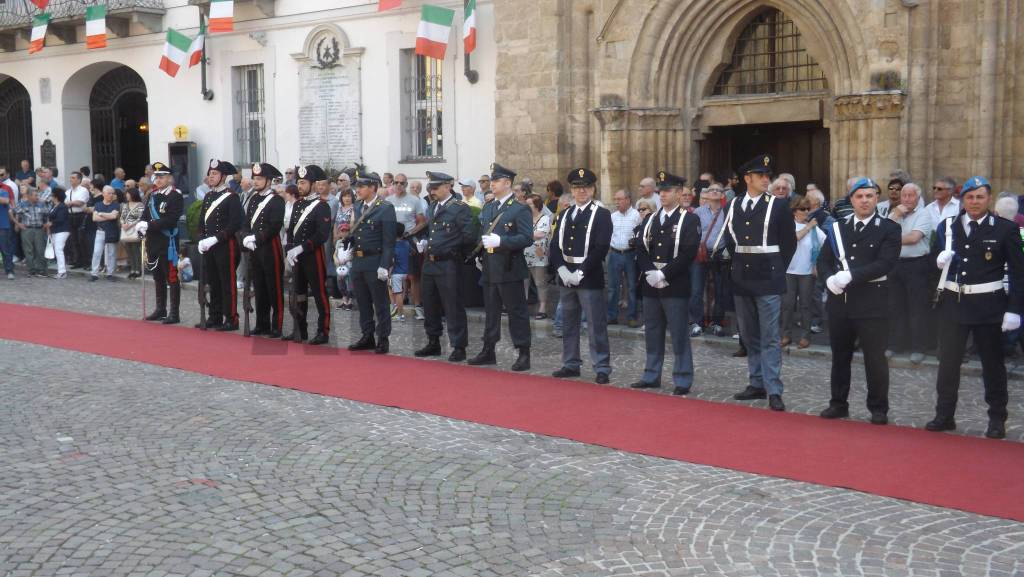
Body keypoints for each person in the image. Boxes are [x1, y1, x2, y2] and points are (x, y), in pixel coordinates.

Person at [927, 177, 1024, 440]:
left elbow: (1018, 273)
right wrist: (937, 261)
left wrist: (1015, 309)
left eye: (980, 197)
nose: (975, 202)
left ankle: (996, 418)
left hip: (988, 306)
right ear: (963, 200)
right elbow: (931, 264)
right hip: (953, 305)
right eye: (970, 197)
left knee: (993, 366)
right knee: (948, 365)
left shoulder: (1004, 229)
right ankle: (944, 415)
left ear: (988, 199)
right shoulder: (947, 226)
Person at [817, 178, 901, 424]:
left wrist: (851, 275)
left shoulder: (889, 228)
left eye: (869, 196)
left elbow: (886, 263)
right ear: (851, 200)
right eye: (859, 196)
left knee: (874, 358)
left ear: (876, 198)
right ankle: (838, 403)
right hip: (840, 302)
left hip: (872, 303)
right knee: (840, 356)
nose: (864, 200)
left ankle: (878, 407)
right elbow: (823, 260)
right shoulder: (838, 228)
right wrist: (828, 279)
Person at [724, 155, 797, 411]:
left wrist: (776, 269)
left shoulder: (777, 206)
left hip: (768, 277)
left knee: (769, 336)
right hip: (743, 276)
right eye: (761, 175)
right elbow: (731, 241)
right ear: (748, 179)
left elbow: (789, 243)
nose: (766, 179)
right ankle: (756, 383)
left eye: (768, 175)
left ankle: (774, 389)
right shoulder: (732, 206)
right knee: (749, 335)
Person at [630, 171, 702, 394]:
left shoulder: (690, 219)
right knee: (652, 330)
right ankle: (651, 374)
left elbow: (689, 252)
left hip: (675, 283)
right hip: (651, 283)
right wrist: (650, 272)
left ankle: (682, 378)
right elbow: (641, 248)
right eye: (661, 190)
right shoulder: (652, 218)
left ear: (680, 193)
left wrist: (665, 274)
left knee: (679, 332)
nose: (662, 194)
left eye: (668, 190)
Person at [548, 168, 613, 384]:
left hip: (589, 277)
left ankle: (602, 366)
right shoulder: (565, 214)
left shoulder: (602, 214)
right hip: (566, 277)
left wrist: (581, 272)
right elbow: (555, 246)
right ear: (571, 190)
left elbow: (601, 247)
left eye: (585, 187)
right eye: (577, 187)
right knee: (568, 323)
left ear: (593, 189)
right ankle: (570, 363)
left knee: (595, 325)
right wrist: (561, 270)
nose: (581, 191)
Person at [469, 163, 533, 371]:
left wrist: (502, 242)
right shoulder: (489, 207)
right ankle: (489, 349)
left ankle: (523, 352)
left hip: (509, 267)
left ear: (507, 183)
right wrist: (480, 252)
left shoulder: (519, 208)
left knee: (516, 312)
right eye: (492, 180)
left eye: (496, 181)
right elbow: (482, 232)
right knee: (491, 311)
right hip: (489, 266)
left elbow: (526, 238)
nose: (492, 184)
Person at [414, 172, 476, 361]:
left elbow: (469, 236)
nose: (432, 191)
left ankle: (459, 345)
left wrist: (453, 250)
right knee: (430, 303)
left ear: (448, 186)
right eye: (431, 188)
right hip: (430, 262)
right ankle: (433, 341)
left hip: (448, 262)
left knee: (452, 305)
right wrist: (425, 242)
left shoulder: (459, 208)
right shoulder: (433, 207)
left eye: (436, 187)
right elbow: (433, 232)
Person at [339, 169, 396, 353]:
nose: (358, 190)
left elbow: (389, 241)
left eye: (362, 186)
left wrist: (384, 265)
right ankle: (367, 335)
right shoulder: (358, 207)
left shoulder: (385, 208)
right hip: (359, 260)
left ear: (373, 187)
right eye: (357, 187)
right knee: (362, 302)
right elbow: (358, 233)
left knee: (380, 303)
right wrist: (349, 246)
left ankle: (383, 338)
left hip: (375, 260)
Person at [283, 165, 334, 345]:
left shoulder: (321, 206)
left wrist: (301, 248)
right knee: (298, 293)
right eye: (298, 182)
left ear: (313, 185)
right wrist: (289, 249)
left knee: (320, 293)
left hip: (313, 255)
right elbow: (291, 230)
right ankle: (300, 328)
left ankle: (323, 330)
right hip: (296, 256)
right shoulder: (297, 204)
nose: (300, 186)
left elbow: (322, 234)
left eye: (303, 182)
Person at [886, 182, 935, 363]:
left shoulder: (924, 214)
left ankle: (918, 347)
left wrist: (891, 239)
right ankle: (895, 345)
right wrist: (896, 215)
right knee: (894, 306)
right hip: (895, 265)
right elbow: (883, 234)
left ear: (918, 197)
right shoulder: (895, 214)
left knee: (917, 307)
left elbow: (913, 238)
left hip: (917, 265)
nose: (906, 199)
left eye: (910, 195)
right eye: (904, 195)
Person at [196, 160, 244, 331]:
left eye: (215, 174)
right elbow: (202, 221)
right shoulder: (208, 196)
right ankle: (214, 316)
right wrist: (201, 238)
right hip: (209, 246)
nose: (211, 177)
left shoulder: (232, 197)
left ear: (223, 177)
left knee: (227, 282)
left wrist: (216, 238)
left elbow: (234, 223)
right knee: (213, 281)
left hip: (225, 245)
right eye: (210, 174)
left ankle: (231, 318)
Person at [241, 163, 287, 338]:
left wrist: (256, 238)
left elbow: (274, 226)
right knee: (259, 287)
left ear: (268, 181)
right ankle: (262, 323)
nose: (256, 181)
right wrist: (245, 236)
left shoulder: (276, 200)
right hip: (254, 249)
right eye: (255, 178)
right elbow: (246, 221)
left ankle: (277, 324)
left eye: (259, 179)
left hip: (270, 248)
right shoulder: (253, 199)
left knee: (273, 287)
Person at [137, 163, 184, 324]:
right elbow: (145, 215)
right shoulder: (152, 195)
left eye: (161, 177)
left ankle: (174, 313)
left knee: (171, 277)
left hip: (167, 242)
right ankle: (160, 308)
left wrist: (149, 225)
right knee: (157, 277)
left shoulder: (175, 196)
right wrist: (141, 226)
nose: (158, 180)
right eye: (156, 177)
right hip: (153, 242)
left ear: (169, 179)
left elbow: (171, 220)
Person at [781, 195, 825, 349]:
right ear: (794, 211)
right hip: (789, 271)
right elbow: (794, 238)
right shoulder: (788, 225)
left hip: (806, 272)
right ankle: (786, 335)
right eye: (802, 209)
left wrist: (817, 265)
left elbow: (825, 245)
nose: (806, 211)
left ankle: (805, 337)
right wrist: (809, 227)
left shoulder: (814, 229)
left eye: (808, 208)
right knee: (787, 304)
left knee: (806, 305)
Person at [607, 189, 642, 327]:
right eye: (615, 199)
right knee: (612, 287)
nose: (617, 202)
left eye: (619, 199)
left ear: (628, 200)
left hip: (630, 254)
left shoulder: (636, 215)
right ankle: (611, 316)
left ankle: (632, 317)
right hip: (614, 253)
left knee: (632, 286)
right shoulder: (613, 216)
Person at [524, 193, 552, 320]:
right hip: (524, 255)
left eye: (529, 204)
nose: (527, 206)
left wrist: (524, 235)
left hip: (539, 255)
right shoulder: (525, 218)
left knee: (540, 282)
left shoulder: (545, 218)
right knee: (523, 281)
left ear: (536, 205)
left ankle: (542, 307)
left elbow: (540, 234)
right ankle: (522, 306)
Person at [12, 187, 48, 276]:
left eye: (38, 195)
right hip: (27, 230)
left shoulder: (42, 204)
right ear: (28, 196)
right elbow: (11, 212)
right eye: (35, 195)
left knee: (40, 250)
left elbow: (47, 215)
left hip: (39, 230)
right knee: (28, 251)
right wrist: (18, 224)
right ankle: (31, 270)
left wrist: (46, 225)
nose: (37, 197)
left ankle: (41, 270)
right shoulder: (22, 204)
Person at [89, 185, 121, 281]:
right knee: (97, 252)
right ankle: (94, 273)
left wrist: (101, 214)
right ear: (103, 194)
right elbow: (94, 218)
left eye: (112, 193)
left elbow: (114, 217)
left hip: (112, 231)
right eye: (109, 193)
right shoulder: (98, 204)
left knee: (111, 253)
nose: (111, 195)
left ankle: (110, 274)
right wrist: (108, 215)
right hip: (100, 231)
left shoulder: (116, 205)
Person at [119, 188, 144, 279]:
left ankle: (138, 269)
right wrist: (123, 224)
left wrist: (130, 225)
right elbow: (122, 217)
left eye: (128, 194)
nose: (126, 195)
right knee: (129, 250)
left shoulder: (140, 205)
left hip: (135, 229)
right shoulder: (125, 205)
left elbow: (140, 217)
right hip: (126, 230)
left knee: (136, 250)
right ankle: (132, 269)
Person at [45, 189, 70, 279]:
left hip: (62, 230)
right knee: (57, 250)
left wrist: (51, 223)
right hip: (56, 230)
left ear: (56, 197)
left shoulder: (62, 206)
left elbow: (61, 219)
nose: (51, 197)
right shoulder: (55, 206)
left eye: (52, 195)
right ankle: (61, 271)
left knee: (58, 250)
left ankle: (62, 271)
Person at [0, 176, 14, 279]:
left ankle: (9, 271)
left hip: (3, 225)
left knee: (5, 250)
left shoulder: (3, 191)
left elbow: (6, 201)